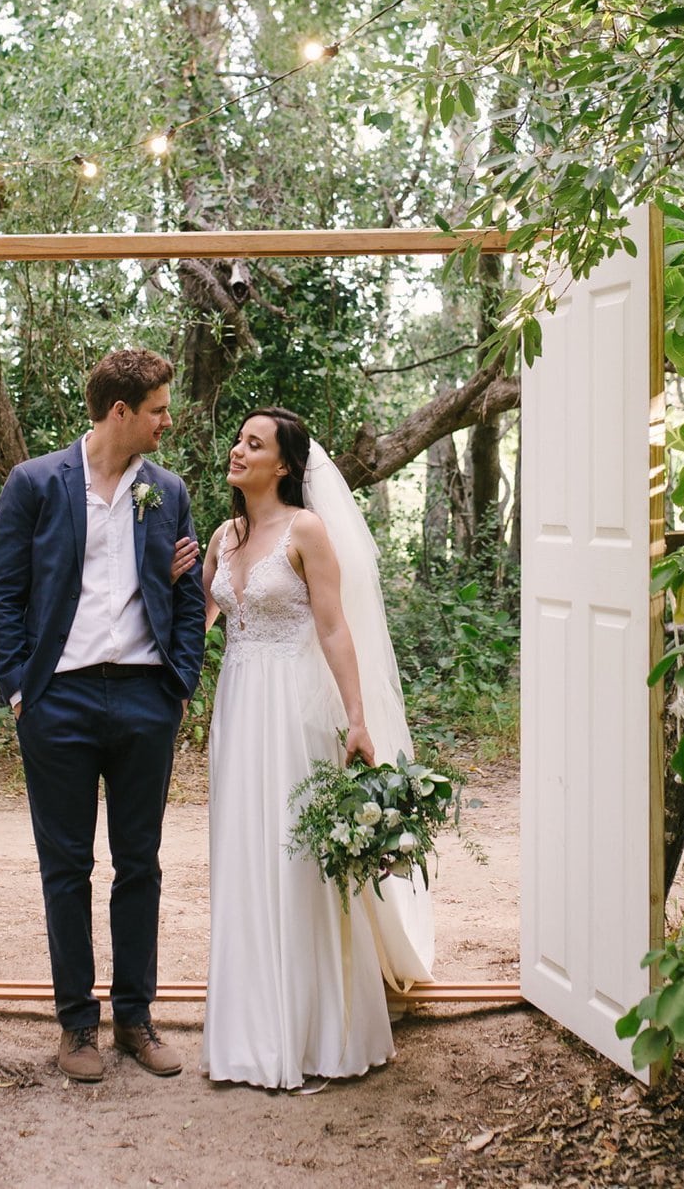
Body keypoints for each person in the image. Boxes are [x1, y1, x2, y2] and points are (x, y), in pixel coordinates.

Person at [0, 349, 205, 1083]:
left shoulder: (167, 491)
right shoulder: (36, 484)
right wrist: (21, 690)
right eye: (158, 410)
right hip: (60, 700)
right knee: (67, 866)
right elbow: (4, 594)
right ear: (121, 412)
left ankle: (136, 1020)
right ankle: (76, 1025)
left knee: (139, 863)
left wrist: (178, 686)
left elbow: (187, 592)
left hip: (146, 698)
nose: (167, 421)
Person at [199, 407, 434, 1091]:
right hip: (239, 710)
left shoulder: (306, 531)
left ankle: (316, 1033)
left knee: (297, 859)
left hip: (296, 711)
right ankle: (247, 1031)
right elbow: (201, 619)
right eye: (239, 439)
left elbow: (333, 629)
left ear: (284, 466)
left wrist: (358, 718)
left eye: (254, 443)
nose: (238, 450)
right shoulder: (224, 534)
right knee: (242, 854)